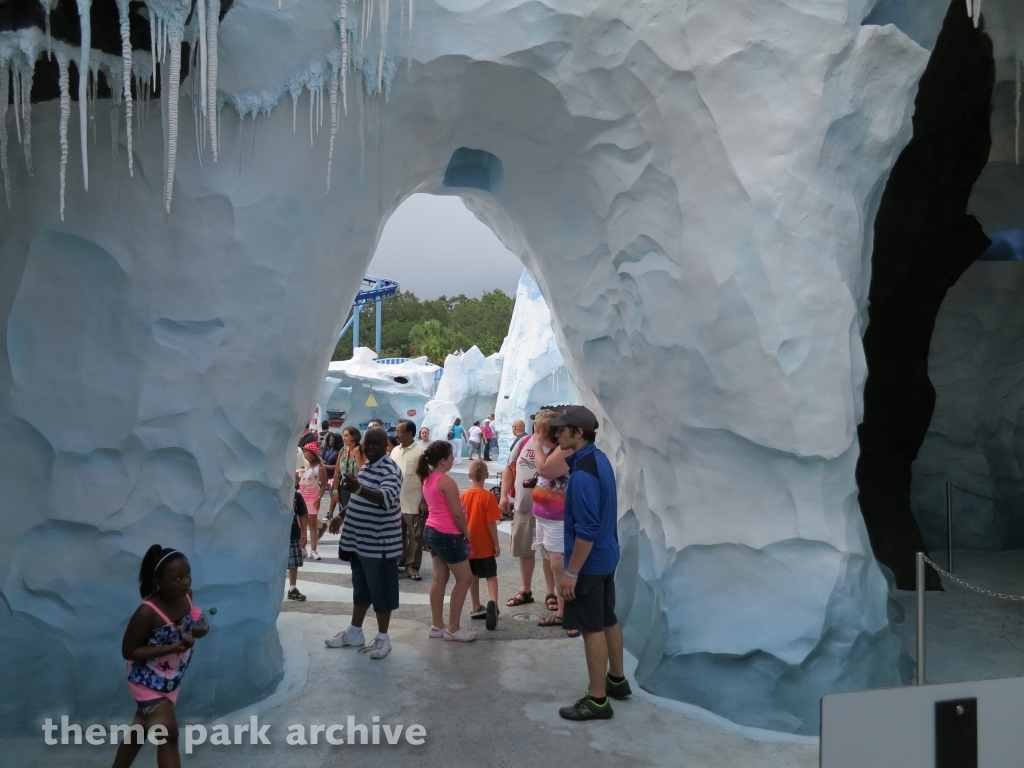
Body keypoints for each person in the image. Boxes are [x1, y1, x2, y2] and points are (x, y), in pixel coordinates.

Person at [550, 406, 631, 720]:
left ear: (578, 432)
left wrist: (571, 572)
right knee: (608, 619)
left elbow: (586, 530)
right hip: (606, 557)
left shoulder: (583, 473)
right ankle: (617, 681)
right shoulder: (599, 460)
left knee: (590, 628)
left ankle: (598, 699)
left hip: (588, 564)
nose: (557, 435)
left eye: (561, 429)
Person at [112, 546, 209, 768]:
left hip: (170, 677)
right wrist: (171, 648)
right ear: (158, 581)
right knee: (168, 735)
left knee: (139, 730)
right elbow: (129, 651)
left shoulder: (187, 596)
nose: (185, 582)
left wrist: (199, 629)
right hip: (145, 679)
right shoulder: (147, 612)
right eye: (177, 578)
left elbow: (190, 623)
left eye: (187, 575)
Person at [326, 428, 402, 659]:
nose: (369, 448)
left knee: (382, 592)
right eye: (367, 443)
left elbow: (385, 498)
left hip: (380, 545)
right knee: (361, 590)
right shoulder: (368, 466)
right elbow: (360, 496)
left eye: (375, 444)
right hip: (360, 543)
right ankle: (355, 632)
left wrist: (357, 488)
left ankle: (383, 637)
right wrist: (342, 515)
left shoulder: (390, 469)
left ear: (386, 445)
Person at [419, 441, 477, 642]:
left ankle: (437, 625)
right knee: (465, 579)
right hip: (448, 534)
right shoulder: (446, 481)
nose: (454, 459)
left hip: (432, 530)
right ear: (443, 460)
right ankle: (453, 627)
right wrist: (467, 533)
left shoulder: (428, 478)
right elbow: (457, 513)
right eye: (451, 456)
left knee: (439, 578)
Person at [529, 411, 576, 637]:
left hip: (558, 520)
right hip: (546, 518)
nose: (536, 434)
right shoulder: (555, 449)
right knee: (556, 565)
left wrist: (537, 444)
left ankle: (569, 614)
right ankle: (563, 611)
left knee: (561, 567)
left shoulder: (564, 449)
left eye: (539, 430)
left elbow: (545, 469)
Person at [501, 417, 555, 610]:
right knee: (524, 548)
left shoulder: (556, 445)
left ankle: (551, 592)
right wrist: (504, 495)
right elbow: (509, 468)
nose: (538, 428)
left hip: (550, 509)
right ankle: (525, 590)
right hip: (524, 505)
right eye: (537, 424)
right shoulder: (523, 441)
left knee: (550, 551)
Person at [462, 459, 502, 630]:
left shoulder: (463, 495)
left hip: (469, 546)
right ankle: (493, 602)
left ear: (470, 476)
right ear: (486, 475)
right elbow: (491, 524)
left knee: (473, 577)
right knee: (491, 576)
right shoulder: (489, 496)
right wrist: (496, 544)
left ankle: (476, 606)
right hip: (485, 546)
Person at [391, 419, 426, 581]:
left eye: (400, 432)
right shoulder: (395, 451)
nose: (396, 434)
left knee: (415, 536)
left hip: (414, 502)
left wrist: (424, 500)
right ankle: (398, 562)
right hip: (396, 502)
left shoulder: (420, 452)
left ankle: (412, 566)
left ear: (410, 433)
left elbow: (427, 478)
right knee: (397, 535)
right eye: (396, 431)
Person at [297, 447, 328, 560]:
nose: (304, 453)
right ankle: (303, 548)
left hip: (312, 498)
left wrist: (319, 498)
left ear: (312, 453)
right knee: (301, 524)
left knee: (313, 525)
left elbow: (324, 485)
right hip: (302, 497)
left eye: (306, 451)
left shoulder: (319, 469)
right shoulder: (304, 467)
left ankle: (314, 550)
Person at [287, 491, 308, 601]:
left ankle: (292, 588)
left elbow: (302, 513)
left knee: (293, 562)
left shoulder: (296, 495)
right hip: (276, 534)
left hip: (293, 532)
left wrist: (304, 532)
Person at [323, 433, 342, 522]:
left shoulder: (339, 452)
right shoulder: (331, 450)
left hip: (334, 476)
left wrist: (325, 466)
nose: (330, 442)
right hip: (328, 475)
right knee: (332, 495)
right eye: (329, 440)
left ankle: (330, 514)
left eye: (332, 440)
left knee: (334, 495)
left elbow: (338, 466)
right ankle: (331, 513)